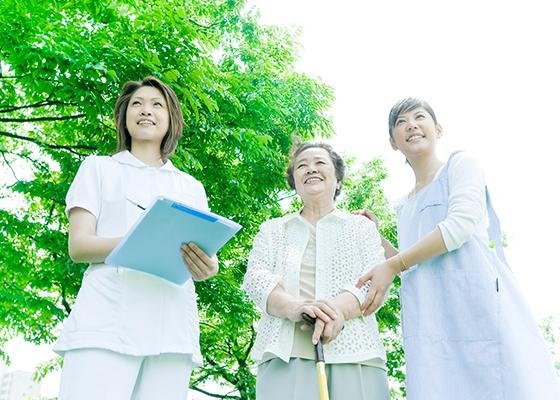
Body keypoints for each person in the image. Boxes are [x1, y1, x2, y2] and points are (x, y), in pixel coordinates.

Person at [356, 97, 560, 400]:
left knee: (499, 384)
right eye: (401, 122)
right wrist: (378, 241)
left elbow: (459, 227)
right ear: (392, 143)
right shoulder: (405, 204)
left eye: (419, 117)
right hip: (431, 317)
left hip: (475, 305)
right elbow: (412, 263)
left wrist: (393, 264)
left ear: (438, 129)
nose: (411, 124)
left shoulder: (460, 165)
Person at [53, 77, 219, 400]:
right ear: (124, 117)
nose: (146, 110)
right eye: (137, 104)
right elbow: (79, 245)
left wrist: (206, 266)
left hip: (171, 330)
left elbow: (205, 256)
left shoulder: (190, 187)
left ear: (170, 119)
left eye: (157, 105)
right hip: (104, 324)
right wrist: (140, 239)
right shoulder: (98, 169)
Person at [243, 142, 390, 400]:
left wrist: (337, 312)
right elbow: (256, 278)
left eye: (320, 163)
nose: (311, 168)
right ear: (294, 182)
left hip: (357, 352)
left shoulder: (362, 227)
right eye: (302, 165)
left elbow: (374, 280)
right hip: (283, 354)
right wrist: (293, 308)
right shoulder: (273, 229)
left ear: (338, 180)